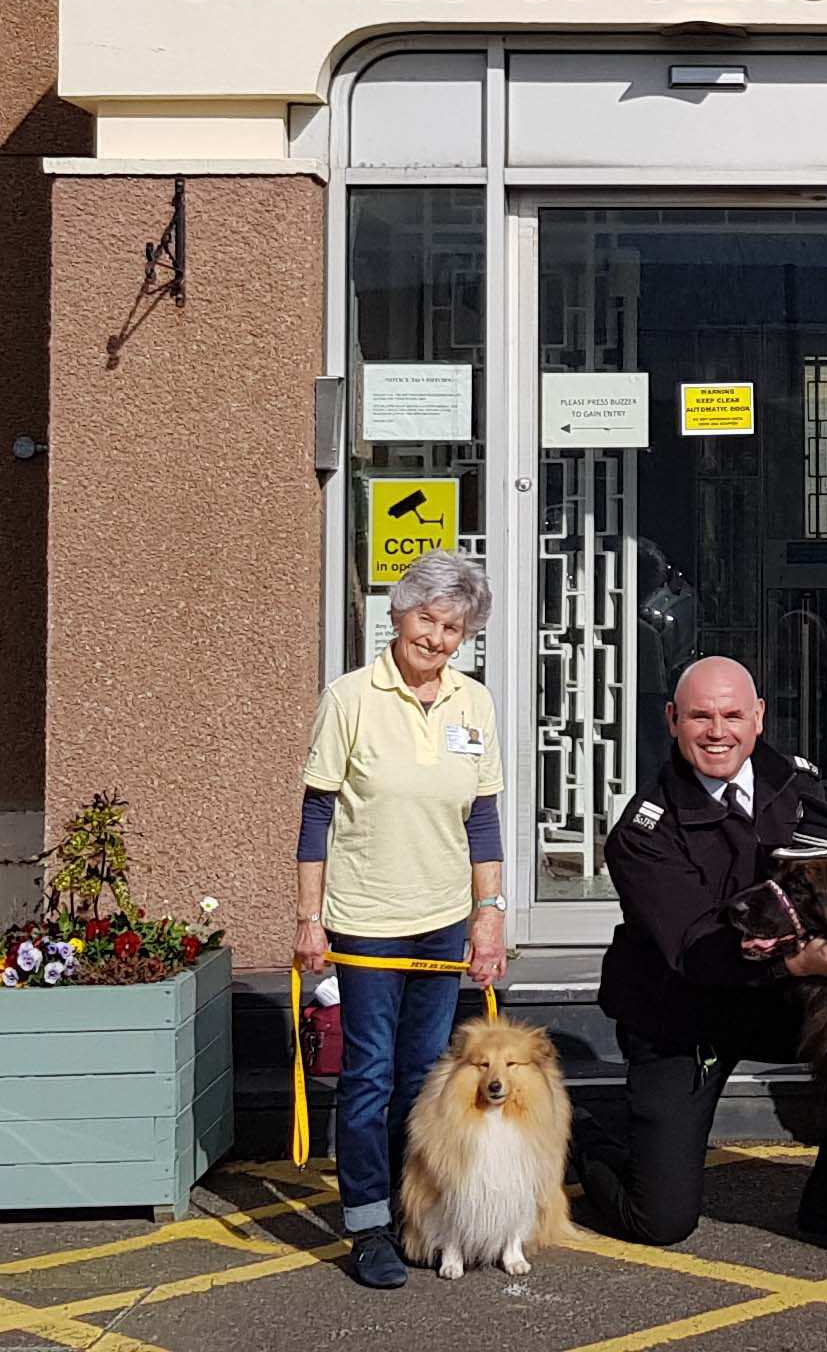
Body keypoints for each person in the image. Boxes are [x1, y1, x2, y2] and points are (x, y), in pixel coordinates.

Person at [581, 655, 827, 1248]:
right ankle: (582, 1139)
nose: (717, 731)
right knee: (662, 1222)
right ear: (672, 720)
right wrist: (796, 961)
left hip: (775, 1000)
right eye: (700, 716)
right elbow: (696, 948)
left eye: (731, 715)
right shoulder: (643, 832)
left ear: (759, 718)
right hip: (683, 1015)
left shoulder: (796, 783)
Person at [294, 549, 506, 1289]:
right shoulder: (350, 697)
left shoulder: (472, 703)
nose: (438, 637)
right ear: (397, 612)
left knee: (425, 1078)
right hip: (367, 920)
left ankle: (413, 1211)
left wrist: (489, 916)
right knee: (370, 1073)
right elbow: (317, 812)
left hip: (445, 920)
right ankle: (366, 1225)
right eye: (428, 618)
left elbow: (483, 820)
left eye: (454, 627)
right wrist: (308, 917)